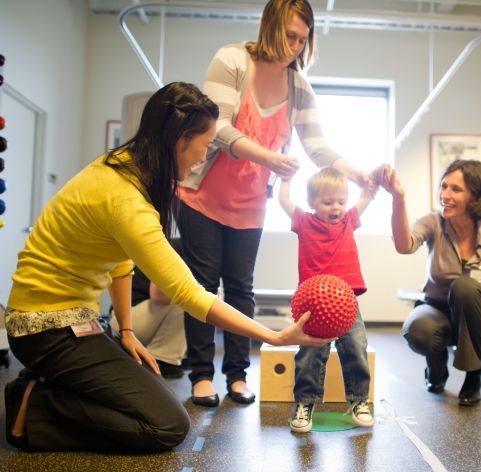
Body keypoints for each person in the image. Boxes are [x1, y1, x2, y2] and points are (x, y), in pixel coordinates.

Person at [2, 82, 332, 453]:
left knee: (146, 391)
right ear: (179, 140)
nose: (204, 155)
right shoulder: (125, 198)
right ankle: (35, 408)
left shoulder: (124, 167)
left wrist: (126, 330)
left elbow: (120, 263)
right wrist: (272, 337)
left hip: (78, 320)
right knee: (166, 427)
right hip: (45, 327)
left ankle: (52, 387)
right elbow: (189, 293)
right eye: (205, 144)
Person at [176, 0, 368, 407]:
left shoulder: (298, 87)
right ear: (270, 27)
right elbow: (218, 126)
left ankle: (237, 375)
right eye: (290, 36)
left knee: (241, 291)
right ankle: (201, 375)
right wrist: (269, 157)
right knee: (203, 286)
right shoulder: (231, 60)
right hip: (202, 197)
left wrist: (357, 174)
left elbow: (316, 146)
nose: (296, 46)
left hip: (249, 204)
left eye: (303, 39)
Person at [379, 159, 481, 406]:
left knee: (466, 287)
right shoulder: (433, 223)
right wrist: (398, 197)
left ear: (477, 197)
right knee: (418, 330)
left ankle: (473, 376)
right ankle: (436, 370)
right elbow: (403, 245)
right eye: (443, 186)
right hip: (436, 309)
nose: (445, 195)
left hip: (479, 317)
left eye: (455, 190)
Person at [279, 167, 377, 432]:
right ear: (312, 202)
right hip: (313, 306)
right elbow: (284, 202)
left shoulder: (348, 221)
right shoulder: (304, 222)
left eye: (341, 202)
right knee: (310, 353)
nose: (336, 207)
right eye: (327, 202)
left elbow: (365, 199)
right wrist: (286, 179)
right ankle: (305, 403)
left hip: (347, 304)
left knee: (356, 346)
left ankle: (359, 401)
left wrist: (369, 186)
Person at [110, 239, 187, 379]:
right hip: (123, 322)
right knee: (186, 300)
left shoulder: (200, 255)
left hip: (142, 319)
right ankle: (161, 359)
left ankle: (169, 355)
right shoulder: (174, 247)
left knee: (193, 300)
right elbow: (157, 296)